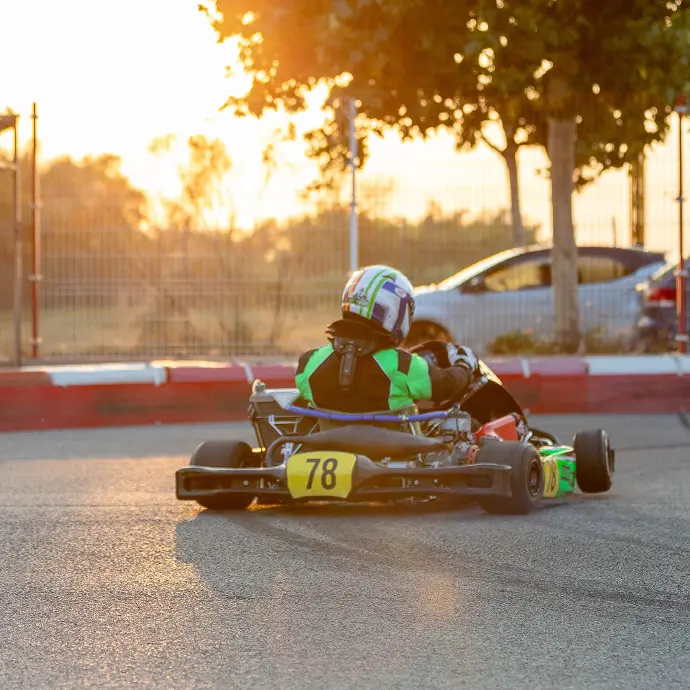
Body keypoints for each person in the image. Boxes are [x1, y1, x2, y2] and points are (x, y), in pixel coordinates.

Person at [295, 264, 481, 413]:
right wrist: (464, 365)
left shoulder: (309, 364)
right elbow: (447, 386)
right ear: (393, 311)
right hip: (392, 458)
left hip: (329, 451)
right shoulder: (404, 366)